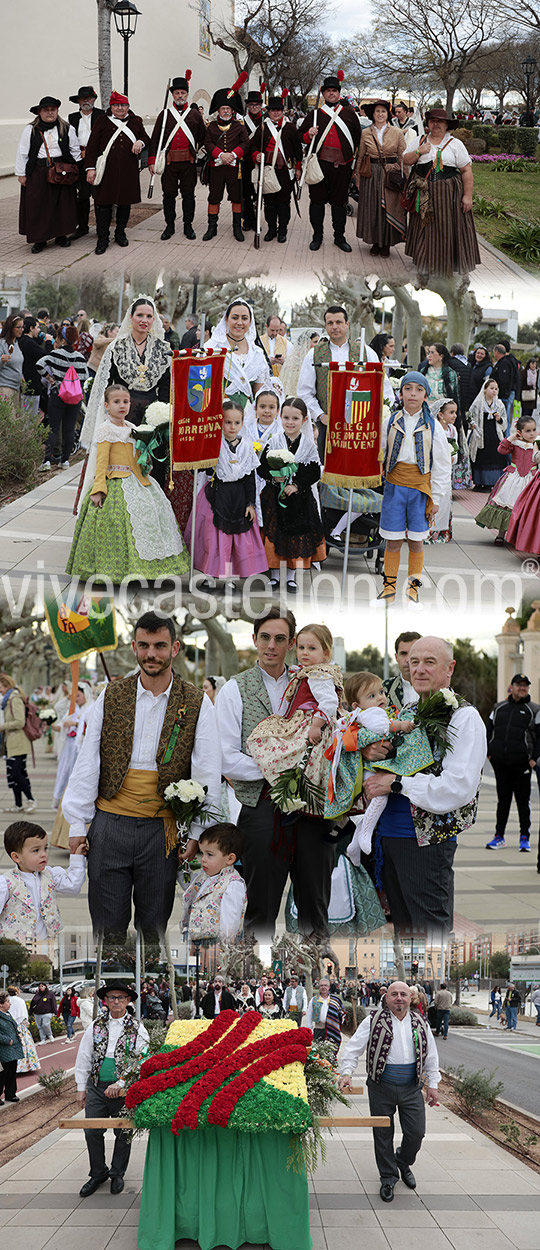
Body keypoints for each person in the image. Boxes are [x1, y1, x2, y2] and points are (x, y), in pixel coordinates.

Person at [62, 611, 221, 941]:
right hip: (109, 826)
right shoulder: (111, 694)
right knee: (108, 927)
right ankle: (113, 992)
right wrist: (77, 824)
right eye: (145, 645)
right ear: (134, 646)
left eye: (160, 645)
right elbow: (87, 760)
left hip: (160, 832)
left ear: (175, 648)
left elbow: (207, 770)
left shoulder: (197, 702)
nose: (152, 654)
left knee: (153, 928)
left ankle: (149, 989)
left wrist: (197, 833)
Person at [216, 607, 335, 941]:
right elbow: (225, 757)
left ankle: (313, 971)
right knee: (262, 906)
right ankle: (256, 975)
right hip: (261, 807)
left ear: (292, 643)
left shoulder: (313, 679)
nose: (271, 645)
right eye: (265, 637)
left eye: (280, 639)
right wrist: (282, 769)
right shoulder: (234, 689)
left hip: (312, 807)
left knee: (314, 903)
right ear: (254, 640)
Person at [362, 636, 486, 935]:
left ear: (449, 668)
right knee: (404, 934)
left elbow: (458, 787)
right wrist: (369, 752)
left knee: (432, 933)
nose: (418, 669)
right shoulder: (407, 712)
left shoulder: (463, 717)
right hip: (387, 841)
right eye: (413, 662)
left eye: (429, 662)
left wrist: (397, 784)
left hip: (425, 845)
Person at [66, 383, 189, 583]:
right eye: (116, 402)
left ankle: (146, 567)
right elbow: (101, 463)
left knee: (149, 517)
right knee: (116, 524)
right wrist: (99, 488)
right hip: (115, 481)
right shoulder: (106, 431)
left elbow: (137, 455)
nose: (122, 406)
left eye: (125, 401)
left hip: (137, 479)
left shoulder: (132, 428)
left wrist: (145, 460)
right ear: (106, 405)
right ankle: (113, 570)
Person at [338, 981, 440, 1203]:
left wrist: (433, 1084)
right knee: (382, 1135)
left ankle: (402, 1161)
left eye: (403, 994)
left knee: (416, 1134)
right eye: (394, 994)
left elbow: (431, 1055)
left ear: (410, 997)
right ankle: (388, 1177)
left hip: (412, 1088)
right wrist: (346, 1073)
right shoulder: (373, 1020)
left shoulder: (420, 1021)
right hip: (380, 1087)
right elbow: (354, 1047)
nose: (399, 998)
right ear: (386, 998)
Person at [332, 670, 433, 860]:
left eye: (381, 692)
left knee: (372, 807)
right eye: (372, 695)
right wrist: (401, 726)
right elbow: (380, 729)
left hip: (371, 767)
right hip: (371, 769)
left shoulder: (369, 713)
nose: (380, 698)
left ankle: (355, 844)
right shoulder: (370, 715)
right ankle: (365, 835)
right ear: (357, 705)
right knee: (379, 799)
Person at [246, 623, 341, 808]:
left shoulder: (319, 675)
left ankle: (292, 795)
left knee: (285, 752)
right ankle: (288, 793)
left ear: (326, 653)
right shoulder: (305, 672)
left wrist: (315, 725)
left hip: (311, 725)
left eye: (312, 648)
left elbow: (329, 703)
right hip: (300, 721)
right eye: (301, 647)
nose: (305, 652)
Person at [377, 372, 452, 605]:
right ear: (400, 393)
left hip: (421, 489)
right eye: (408, 388)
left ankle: (413, 588)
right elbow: (379, 453)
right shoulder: (390, 421)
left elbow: (441, 463)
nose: (412, 394)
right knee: (393, 541)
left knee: (417, 541)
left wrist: (437, 498)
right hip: (394, 486)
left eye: (418, 390)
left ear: (426, 396)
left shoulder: (433, 426)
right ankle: (388, 588)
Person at [75, 981, 149, 1197]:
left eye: (121, 997)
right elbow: (84, 1056)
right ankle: (98, 1173)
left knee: (123, 1132)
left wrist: (122, 1083)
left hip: (124, 1089)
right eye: (112, 998)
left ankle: (117, 1173)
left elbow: (142, 1059)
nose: (116, 1001)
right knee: (92, 1131)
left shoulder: (137, 1028)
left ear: (128, 1001)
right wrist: (81, 1087)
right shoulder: (95, 1025)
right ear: (105, 1001)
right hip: (97, 1087)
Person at [185, 398, 268, 587]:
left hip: (238, 498)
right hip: (215, 495)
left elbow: (250, 479)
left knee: (233, 542)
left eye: (236, 422)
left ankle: (229, 577)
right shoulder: (213, 444)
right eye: (227, 422)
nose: (232, 427)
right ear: (220, 422)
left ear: (242, 423)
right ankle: (210, 576)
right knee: (213, 539)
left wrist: (251, 504)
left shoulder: (247, 447)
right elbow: (200, 469)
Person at [79, 296, 172, 454]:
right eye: (140, 315)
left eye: (149, 316)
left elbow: (165, 388)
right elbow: (106, 385)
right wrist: (109, 416)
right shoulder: (117, 347)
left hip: (151, 419)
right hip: (120, 416)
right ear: (131, 317)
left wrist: (162, 418)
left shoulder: (163, 349)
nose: (144, 320)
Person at [257, 397, 326, 591]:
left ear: (304, 420)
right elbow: (261, 468)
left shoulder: (308, 446)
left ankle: (291, 576)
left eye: (295, 418)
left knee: (295, 536)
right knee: (275, 534)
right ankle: (275, 574)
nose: (290, 422)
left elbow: (313, 471)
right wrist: (274, 478)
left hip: (299, 499)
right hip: (274, 496)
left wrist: (296, 485)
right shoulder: (275, 441)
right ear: (280, 417)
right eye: (286, 417)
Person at [402, 107, 480, 277]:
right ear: (428, 123)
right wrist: (418, 152)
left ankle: (445, 264)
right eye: (432, 121)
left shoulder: (455, 144)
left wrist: (467, 196)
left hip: (448, 193)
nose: (436, 124)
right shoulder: (420, 140)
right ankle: (424, 262)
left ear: (446, 125)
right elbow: (406, 161)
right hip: (424, 193)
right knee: (423, 226)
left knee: (446, 227)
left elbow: (466, 171)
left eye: (440, 121)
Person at [84, 91, 150, 255]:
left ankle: (120, 233)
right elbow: (92, 146)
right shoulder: (102, 121)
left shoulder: (136, 121)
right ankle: (103, 238)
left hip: (128, 170)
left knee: (124, 203)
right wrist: (90, 168)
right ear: (111, 107)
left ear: (128, 106)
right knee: (103, 204)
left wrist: (140, 142)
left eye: (123, 105)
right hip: (107, 170)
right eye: (116, 105)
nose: (120, 108)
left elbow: (146, 138)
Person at [302, 71, 361, 253]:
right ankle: (317, 236)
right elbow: (300, 137)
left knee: (339, 204)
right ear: (324, 94)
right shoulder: (314, 115)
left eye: (334, 90)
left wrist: (354, 167)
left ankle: (339, 237)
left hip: (342, 166)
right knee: (317, 203)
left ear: (339, 92)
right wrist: (308, 134)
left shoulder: (350, 115)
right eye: (327, 91)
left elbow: (358, 140)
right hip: (320, 165)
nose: (331, 93)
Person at [0, 820, 86, 942]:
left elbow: (73, 886)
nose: (43, 854)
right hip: (16, 946)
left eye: (45, 848)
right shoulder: (6, 884)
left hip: (47, 943)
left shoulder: (51, 875)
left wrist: (77, 857)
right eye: (36, 850)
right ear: (16, 857)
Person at [297, 305, 363, 460]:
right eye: (330, 323)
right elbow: (305, 391)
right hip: (327, 426)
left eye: (339, 322)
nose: (335, 327)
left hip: (359, 427)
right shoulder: (314, 354)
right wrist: (320, 415)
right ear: (325, 326)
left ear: (347, 324)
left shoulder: (364, 352)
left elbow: (382, 387)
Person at [16, 96, 81, 254]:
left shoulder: (67, 128)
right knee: (38, 205)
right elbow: (22, 152)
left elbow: (75, 150)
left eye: (53, 110)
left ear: (57, 111)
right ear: (39, 112)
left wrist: (77, 171)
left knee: (62, 205)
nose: (50, 113)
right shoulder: (30, 129)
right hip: (38, 171)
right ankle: (40, 239)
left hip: (62, 171)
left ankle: (61, 235)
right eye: (46, 110)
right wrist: (21, 174)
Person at [148, 72, 206, 241]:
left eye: (183, 93)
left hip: (188, 163)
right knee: (169, 195)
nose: (180, 96)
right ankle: (170, 225)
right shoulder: (165, 115)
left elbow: (203, 137)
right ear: (173, 95)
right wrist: (152, 161)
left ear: (187, 94)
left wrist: (198, 155)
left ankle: (188, 225)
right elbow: (155, 139)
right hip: (169, 163)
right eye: (177, 93)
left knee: (188, 195)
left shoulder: (195, 115)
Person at [485, 674, 540, 852]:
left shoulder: (534, 710)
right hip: (500, 762)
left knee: (523, 801)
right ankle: (499, 836)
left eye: (525, 686)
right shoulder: (499, 707)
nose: (522, 688)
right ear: (512, 686)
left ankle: (524, 837)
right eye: (519, 685)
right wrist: (489, 752)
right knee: (503, 801)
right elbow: (489, 730)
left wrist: (533, 759)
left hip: (522, 764)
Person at [354, 100, 406, 258]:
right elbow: (361, 156)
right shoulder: (365, 133)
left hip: (390, 174)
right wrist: (357, 177)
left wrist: (407, 179)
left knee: (389, 208)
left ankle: (386, 244)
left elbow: (403, 157)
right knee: (373, 209)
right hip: (370, 175)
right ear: (373, 114)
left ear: (388, 114)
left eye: (383, 111)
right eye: (377, 111)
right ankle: (376, 242)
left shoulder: (397, 132)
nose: (380, 114)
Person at [476, 416, 539, 544]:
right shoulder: (515, 444)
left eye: (534, 430)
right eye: (528, 431)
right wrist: (512, 438)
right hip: (513, 479)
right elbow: (501, 450)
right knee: (506, 504)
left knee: (525, 508)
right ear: (519, 432)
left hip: (530, 480)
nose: (532, 433)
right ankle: (501, 534)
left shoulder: (537, 444)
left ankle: (519, 537)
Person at [250, 91, 302, 244]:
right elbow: (253, 147)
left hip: (284, 170)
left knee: (284, 202)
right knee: (269, 202)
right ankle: (272, 229)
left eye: (278, 110)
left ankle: (283, 229)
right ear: (268, 112)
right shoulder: (263, 128)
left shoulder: (291, 128)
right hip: (267, 170)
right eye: (273, 110)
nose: (276, 113)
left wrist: (298, 168)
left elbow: (298, 149)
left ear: (283, 111)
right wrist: (256, 156)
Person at [203, 75, 249, 242]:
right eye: (223, 108)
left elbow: (245, 143)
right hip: (216, 169)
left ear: (233, 110)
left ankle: (237, 228)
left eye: (228, 108)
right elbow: (207, 143)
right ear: (218, 110)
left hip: (234, 169)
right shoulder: (212, 126)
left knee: (237, 197)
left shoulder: (239, 126)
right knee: (214, 197)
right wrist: (221, 155)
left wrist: (234, 154)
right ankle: (211, 228)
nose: (226, 111)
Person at [181, 823, 247, 939]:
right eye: (202, 853)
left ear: (230, 858)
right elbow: (189, 889)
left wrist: (223, 946)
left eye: (209, 855)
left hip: (216, 944)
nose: (203, 860)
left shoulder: (233, 884)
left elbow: (230, 919)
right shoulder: (204, 876)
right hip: (196, 939)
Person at [37, 325, 88, 470]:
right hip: (75, 398)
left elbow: (39, 365)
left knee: (53, 428)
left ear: (61, 339)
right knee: (69, 428)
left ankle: (47, 460)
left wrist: (50, 378)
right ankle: (65, 460)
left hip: (58, 394)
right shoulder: (80, 357)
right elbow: (84, 376)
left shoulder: (55, 354)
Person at [206, 299, 271, 408]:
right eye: (235, 318)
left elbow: (259, 392)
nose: (239, 322)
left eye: (244, 318)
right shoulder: (212, 349)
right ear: (226, 319)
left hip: (248, 416)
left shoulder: (257, 353)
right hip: (217, 414)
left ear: (250, 322)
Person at [68, 86, 104, 239]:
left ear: (94, 99)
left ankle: (101, 228)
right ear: (78, 101)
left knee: (99, 195)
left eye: (88, 98)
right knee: (82, 196)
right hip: (79, 159)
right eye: (82, 98)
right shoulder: (72, 118)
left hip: (97, 158)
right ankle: (82, 227)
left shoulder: (102, 115)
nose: (86, 101)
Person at [0, 674, 36, 813]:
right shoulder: (7, 700)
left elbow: (20, 722)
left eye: (1, 687)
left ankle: (31, 800)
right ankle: (18, 804)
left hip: (19, 742)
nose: (0, 690)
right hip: (11, 743)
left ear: (7, 686)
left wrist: (2, 726)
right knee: (11, 774)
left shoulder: (14, 699)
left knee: (17, 774)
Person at [52, 684, 93, 806]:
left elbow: (90, 724)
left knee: (76, 772)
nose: (76, 699)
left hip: (81, 746)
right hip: (69, 744)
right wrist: (58, 726)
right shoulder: (73, 708)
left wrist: (75, 723)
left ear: (85, 694)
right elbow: (61, 715)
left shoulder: (90, 707)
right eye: (75, 696)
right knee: (64, 771)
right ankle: (60, 799)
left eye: (79, 695)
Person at [426, 398, 459, 543]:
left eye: (455, 412)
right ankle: (427, 531)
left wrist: (454, 457)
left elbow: (455, 447)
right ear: (440, 414)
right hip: (435, 467)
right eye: (451, 412)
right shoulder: (434, 428)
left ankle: (441, 532)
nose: (454, 415)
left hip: (447, 467)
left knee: (445, 499)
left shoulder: (453, 429)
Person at [467, 378, 507, 490]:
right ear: (485, 389)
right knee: (480, 456)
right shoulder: (478, 403)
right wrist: (473, 424)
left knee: (494, 456)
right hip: (481, 433)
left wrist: (499, 419)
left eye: (496, 389)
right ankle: (479, 482)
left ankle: (492, 482)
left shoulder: (499, 404)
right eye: (491, 388)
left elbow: (504, 421)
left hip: (494, 433)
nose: (494, 391)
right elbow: (470, 416)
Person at [242, 86, 265, 230]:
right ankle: (247, 219)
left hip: (261, 161)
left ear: (261, 105)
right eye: (252, 105)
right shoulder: (242, 122)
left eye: (257, 104)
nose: (254, 107)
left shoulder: (267, 121)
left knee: (259, 193)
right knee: (246, 193)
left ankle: (257, 221)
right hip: (245, 162)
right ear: (248, 106)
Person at [305, 977, 345, 1053]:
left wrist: (338, 1025)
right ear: (319, 987)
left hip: (332, 1030)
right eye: (321, 985)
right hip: (318, 1030)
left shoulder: (335, 1000)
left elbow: (342, 1014)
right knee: (318, 1052)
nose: (323, 987)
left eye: (325, 985)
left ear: (329, 987)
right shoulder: (314, 1000)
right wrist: (309, 1029)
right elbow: (309, 1015)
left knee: (330, 1052)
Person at [383, 633, 421, 712]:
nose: (408, 660)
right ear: (396, 658)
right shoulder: (383, 689)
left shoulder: (438, 689)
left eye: (412, 653)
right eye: (403, 654)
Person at [419, 343, 461, 412]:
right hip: (425, 409)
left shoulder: (451, 373)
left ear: (441, 356)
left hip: (443, 411)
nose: (429, 355)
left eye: (432, 352)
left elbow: (455, 396)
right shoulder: (423, 371)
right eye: (428, 352)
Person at [7, 986, 39, 1075]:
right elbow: (24, 1014)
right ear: (17, 992)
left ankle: (13, 1067)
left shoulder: (6, 1000)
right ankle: (26, 1066)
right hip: (20, 1025)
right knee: (24, 1045)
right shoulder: (20, 1001)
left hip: (9, 1025)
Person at [0, 991, 24, 1104]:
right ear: (1, 1004)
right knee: (2, 1074)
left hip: (12, 1048)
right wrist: (7, 1040)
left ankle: (10, 1094)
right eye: (7, 1001)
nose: (10, 1004)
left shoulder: (8, 1014)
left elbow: (14, 1026)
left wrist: (18, 1033)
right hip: (4, 1049)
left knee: (11, 1072)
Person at [491, 343, 520, 431]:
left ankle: (505, 439)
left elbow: (504, 380)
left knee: (504, 419)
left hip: (504, 395)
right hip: (508, 394)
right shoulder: (510, 361)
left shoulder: (504, 363)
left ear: (496, 352)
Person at [19, 317, 47, 407]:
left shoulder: (22, 341)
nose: (39, 330)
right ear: (31, 328)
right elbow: (45, 356)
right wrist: (49, 342)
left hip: (25, 384)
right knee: (30, 416)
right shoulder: (29, 343)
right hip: (31, 386)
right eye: (37, 327)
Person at [0, 314, 24, 401]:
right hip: (5, 387)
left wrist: (21, 376)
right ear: (11, 328)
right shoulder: (2, 344)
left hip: (17, 388)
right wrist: (1, 360)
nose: (21, 330)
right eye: (18, 327)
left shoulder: (16, 344)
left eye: (22, 327)